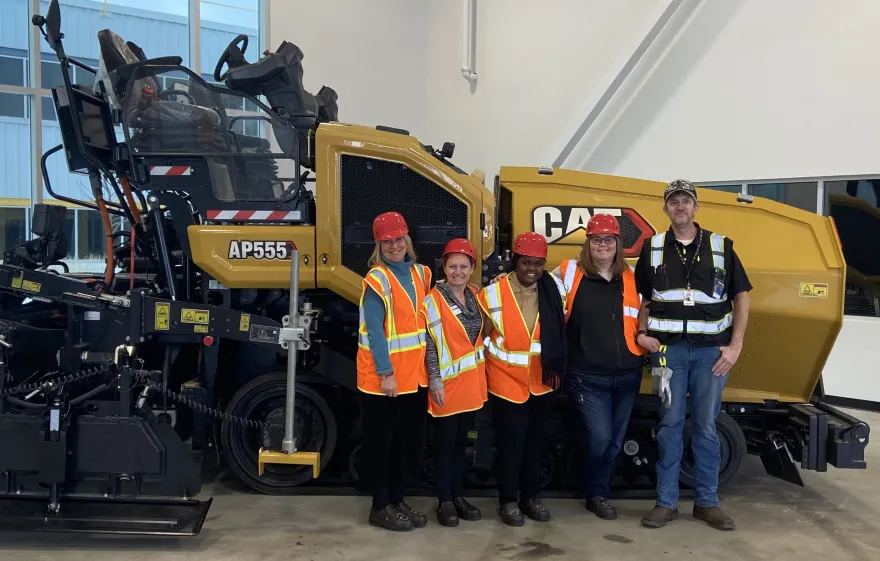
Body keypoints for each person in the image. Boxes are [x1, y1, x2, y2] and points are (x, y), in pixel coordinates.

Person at [634, 179, 752, 531]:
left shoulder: (721, 246)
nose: (680, 206)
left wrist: (736, 346)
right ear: (666, 208)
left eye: (686, 201)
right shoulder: (653, 247)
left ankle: (707, 503)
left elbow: (742, 297)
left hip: (711, 356)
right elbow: (643, 299)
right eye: (674, 201)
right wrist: (642, 333)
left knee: (704, 426)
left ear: (696, 207)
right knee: (669, 425)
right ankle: (666, 502)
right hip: (668, 354)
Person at [550, 213, 646, 520]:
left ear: (618, 244)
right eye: (596, 240)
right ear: (588, 244)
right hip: (586, 376)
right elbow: (535, 289)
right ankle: (595, 491)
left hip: (628, 375)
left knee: (615, 442)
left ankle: (599, 491)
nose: (602, 245)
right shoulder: (569, 272)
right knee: (601, 438)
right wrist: (507, 279)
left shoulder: (632, 278)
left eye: (608, 240)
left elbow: (647, 312)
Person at [476, 232, 568, 527]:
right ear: (515, 261)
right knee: (511, 442)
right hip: (505, 380)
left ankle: (530, 497)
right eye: (526, 262)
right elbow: (480, 335)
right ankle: (508, 500)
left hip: (542, 380)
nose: (532, 269)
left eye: (538, 264)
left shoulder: (555, 292)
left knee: (535, 443)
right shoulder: (492, 294)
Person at [356, 211, 432, 532]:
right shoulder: (377, 279)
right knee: (380, 444)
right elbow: (374, 329)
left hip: (414, 377)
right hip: (382, 381)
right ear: (379, 244)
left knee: (406, 443)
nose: (394, 245)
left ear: (407, 239)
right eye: (387, 241)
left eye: (398, 239)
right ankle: (379, 505)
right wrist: (386, 373)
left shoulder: (422, 274)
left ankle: (398, 500)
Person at [420, 238, 488, 527]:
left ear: (472, 267)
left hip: (471, 383)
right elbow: (431, 344)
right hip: (446, 384)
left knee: (462, 443)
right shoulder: (433, 301)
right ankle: (444, 500)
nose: (458, 271)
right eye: (452, 266)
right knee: (445, 444)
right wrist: (435, 379)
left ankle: (459, 496)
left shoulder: (476, 295)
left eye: (463, 266)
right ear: (444, 268)